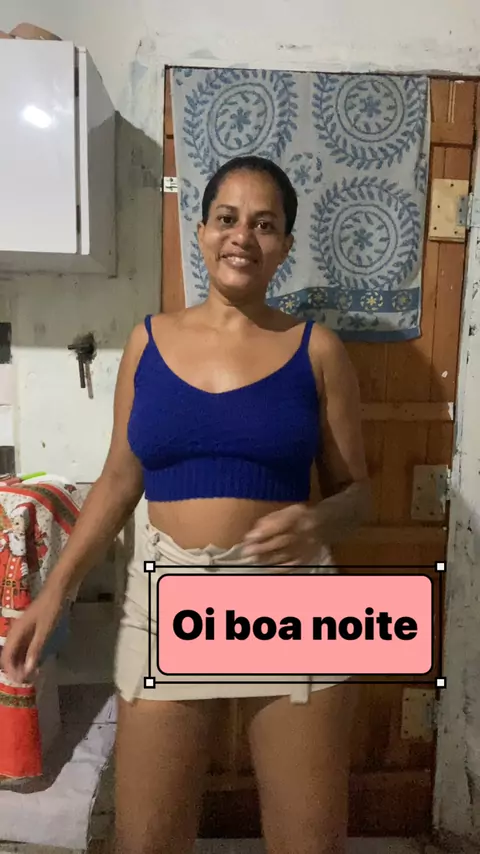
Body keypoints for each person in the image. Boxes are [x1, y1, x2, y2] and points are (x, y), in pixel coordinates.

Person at [1, 155, 371, 854]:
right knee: (147, 841)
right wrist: (53, 595)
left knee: (310, 844)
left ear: (285, 245)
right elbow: (119, 480)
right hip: (169, 594)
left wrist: (318, 518)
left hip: (290, 600)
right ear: (201, 232)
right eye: (227, 219)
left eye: (265, 225)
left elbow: (359, 496)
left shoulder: (316, 350)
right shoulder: (148, 341)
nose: (243, 237)